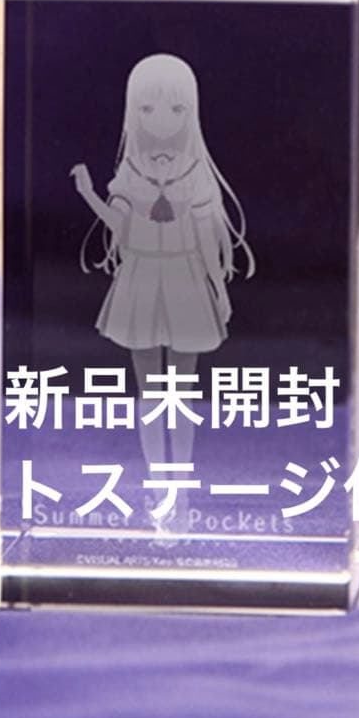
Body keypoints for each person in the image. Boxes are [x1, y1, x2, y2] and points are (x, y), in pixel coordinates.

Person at [70, 53, 254, 530]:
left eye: (175, 109)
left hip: (184, 278)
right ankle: (158, 486)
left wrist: (218, 288)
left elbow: (208, 237)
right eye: (147, 109)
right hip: (142, 278)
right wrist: (89, 195)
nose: (161, 120)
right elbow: (121, 227)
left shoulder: (195, 172)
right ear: (133, 111)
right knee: (150, 394)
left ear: (190, 111)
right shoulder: (131, 169)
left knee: (182, 394)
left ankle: (181, 488)